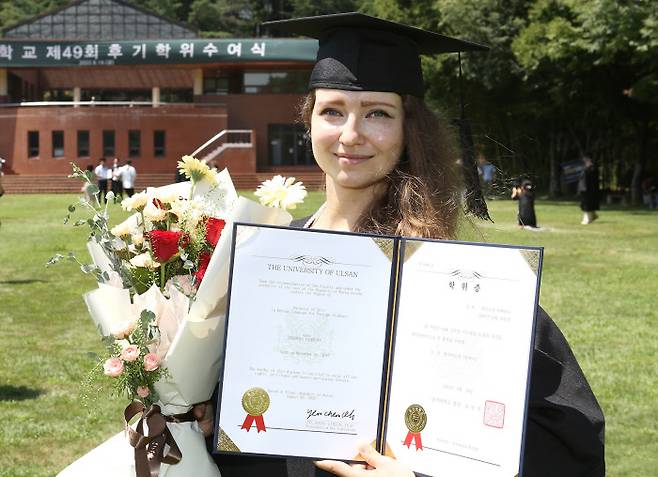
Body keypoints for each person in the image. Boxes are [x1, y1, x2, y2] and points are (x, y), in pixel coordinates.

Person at [199, 12, 605, 477]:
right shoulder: (268, 261)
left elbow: (568, 442)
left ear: (410, 128)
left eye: (377, 113)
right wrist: (209, 420)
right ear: (308, 121)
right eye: (332, 110)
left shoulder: (451, 277)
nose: (350, 134)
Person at [578, 156, 600, 224]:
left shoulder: (592, 169)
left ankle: (587, 219)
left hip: (589, 189)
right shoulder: (585, 169)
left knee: (587, 205)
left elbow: (592, 180)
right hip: (584, 189)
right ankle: (593, 216)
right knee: (585, 204)